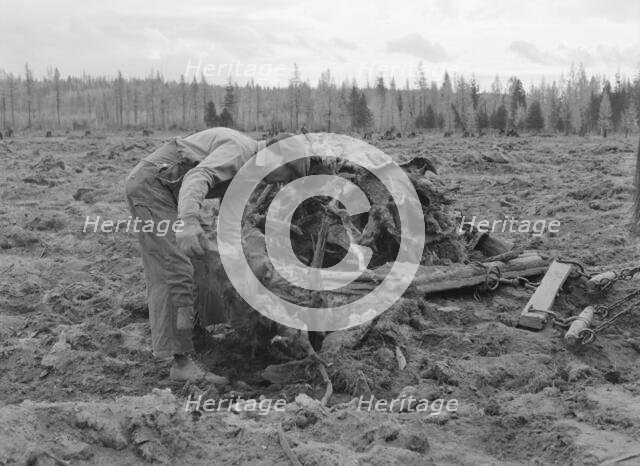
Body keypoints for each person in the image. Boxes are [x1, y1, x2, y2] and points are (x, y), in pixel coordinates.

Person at [125, 127, 309, 384]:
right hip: (153, 188)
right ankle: (180, 363)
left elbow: (231, 214)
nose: (279, 181)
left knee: (203, 256)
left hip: (170, 192)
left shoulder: (248, 171)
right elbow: (197, 176)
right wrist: (188, 221)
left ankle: (195, 334)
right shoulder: (240, 150)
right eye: (286, 172)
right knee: (176, 269)